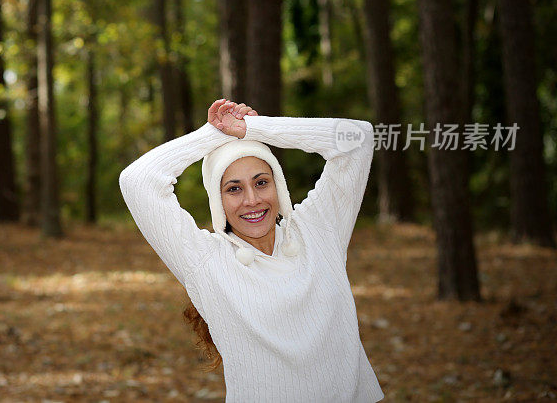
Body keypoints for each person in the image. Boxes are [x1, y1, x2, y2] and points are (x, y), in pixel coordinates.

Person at [119, 99, 384, 402]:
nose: (252, 200)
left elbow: (357, 139)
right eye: (233, 188)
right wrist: (215, 134)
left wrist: (253, 129)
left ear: (278, 186)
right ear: (217, 200)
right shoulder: (206, 259)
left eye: (261, 182)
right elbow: (137, 180)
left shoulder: (319, 230)